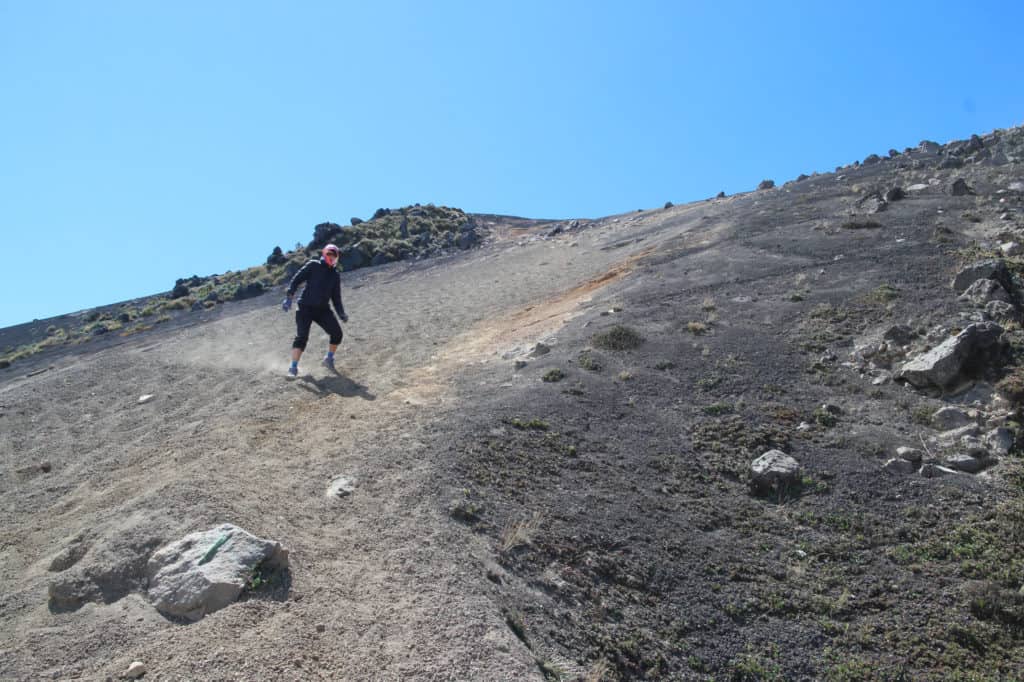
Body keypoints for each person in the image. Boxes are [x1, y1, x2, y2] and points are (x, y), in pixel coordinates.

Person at [282, 244, 349, 377]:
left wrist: (341, 313)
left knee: (337, 334)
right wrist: (289, 297)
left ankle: (328, 359)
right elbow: (296, 279)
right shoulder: (314, 265)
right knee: (302, 337)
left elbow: (336, 297)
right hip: (304, 307)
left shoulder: (335, 275)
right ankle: (293, 368)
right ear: (324, 254)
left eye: (334, 255)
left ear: (337, 257)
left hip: (322, 309)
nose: (331, 257)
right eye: (329, 254)